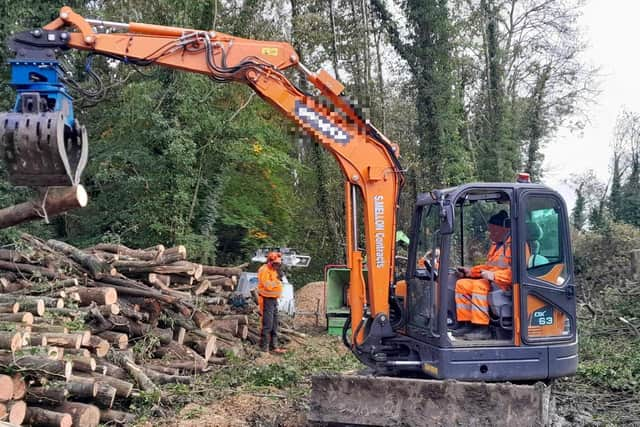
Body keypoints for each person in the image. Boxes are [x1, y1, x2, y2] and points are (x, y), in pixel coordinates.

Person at [452, 210, 512, 340]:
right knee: (462, 284)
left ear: (504, 229)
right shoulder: (496, 246)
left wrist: (494, 276)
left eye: (493, 231)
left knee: (479, 286)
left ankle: (482, 328)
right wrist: (470, 271)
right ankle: (467, 323)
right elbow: (488, 266)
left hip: (506, 284)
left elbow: (517, 272)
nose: (490, 234)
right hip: (492, 282)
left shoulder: (517, 246)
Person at [257, 251, 286, 353]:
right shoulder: (264, 270)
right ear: (269, 261)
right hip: (266, 299)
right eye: (275, 264)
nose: (277, 266)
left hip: (273, 300)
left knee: (274, 324)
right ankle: (264, 348)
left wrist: (279, 278)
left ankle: (274, 347)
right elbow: (268, 285)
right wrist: (278, 280)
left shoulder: (274, 270)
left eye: (278, 264)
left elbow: (276, 283)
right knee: (267, 324)